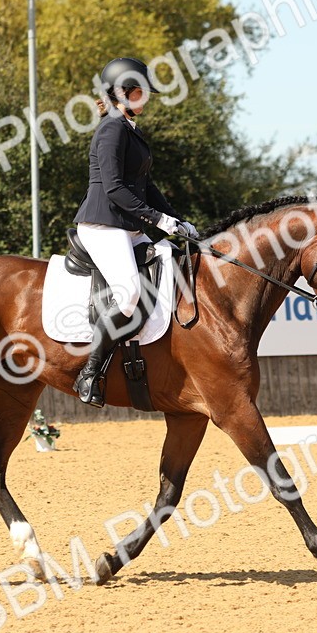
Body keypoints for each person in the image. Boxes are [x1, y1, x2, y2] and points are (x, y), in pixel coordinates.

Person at [71, 57, 199, 407]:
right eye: (142, 91)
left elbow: (145, 186)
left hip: (127, 225)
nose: (147, 98)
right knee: (127, 293)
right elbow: (114, 188)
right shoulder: (112, 129)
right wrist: (157, 220)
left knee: (174, 260)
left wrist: (177, 220)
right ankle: (90, 372)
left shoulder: (129, 128)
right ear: (123, 92)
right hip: (103, 224)